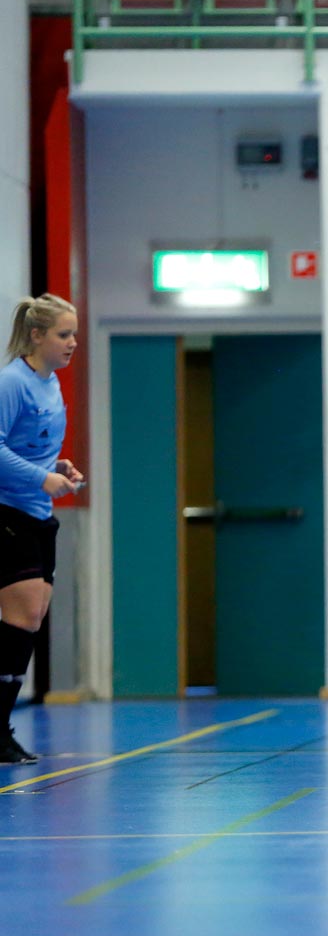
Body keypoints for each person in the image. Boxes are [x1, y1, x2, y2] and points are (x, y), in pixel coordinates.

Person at [0, 294, 84, 765]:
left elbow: (30, 449)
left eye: (74, 334)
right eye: (64, 335)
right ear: (37, 336)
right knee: (24, 613)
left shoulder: (50, 384)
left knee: (29, 622)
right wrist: (39, 477)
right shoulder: (12, 382)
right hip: (7, 510)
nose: (72, 343)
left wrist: (58, 467)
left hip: (38, 514)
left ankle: (0, 729)